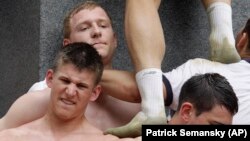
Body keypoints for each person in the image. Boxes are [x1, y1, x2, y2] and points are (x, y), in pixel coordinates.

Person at [103, 0, 250, 137]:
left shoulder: (207, 74)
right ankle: (222, 32)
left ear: (243, 39)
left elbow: (137, 90)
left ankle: (153, 108)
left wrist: (86, 72)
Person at [0, 1, 140, 131]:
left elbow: (158, 134)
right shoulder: (46, 93)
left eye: (103, 25)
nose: (97, 32)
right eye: (84, 28)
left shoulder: (138, 95)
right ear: (68, 45)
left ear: (114, 40)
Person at [0, 42, 141, 141]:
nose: (70, 92)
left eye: (81, 86)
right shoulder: (11, 137)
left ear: (95, 92)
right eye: (65, 81)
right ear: (50, 78)